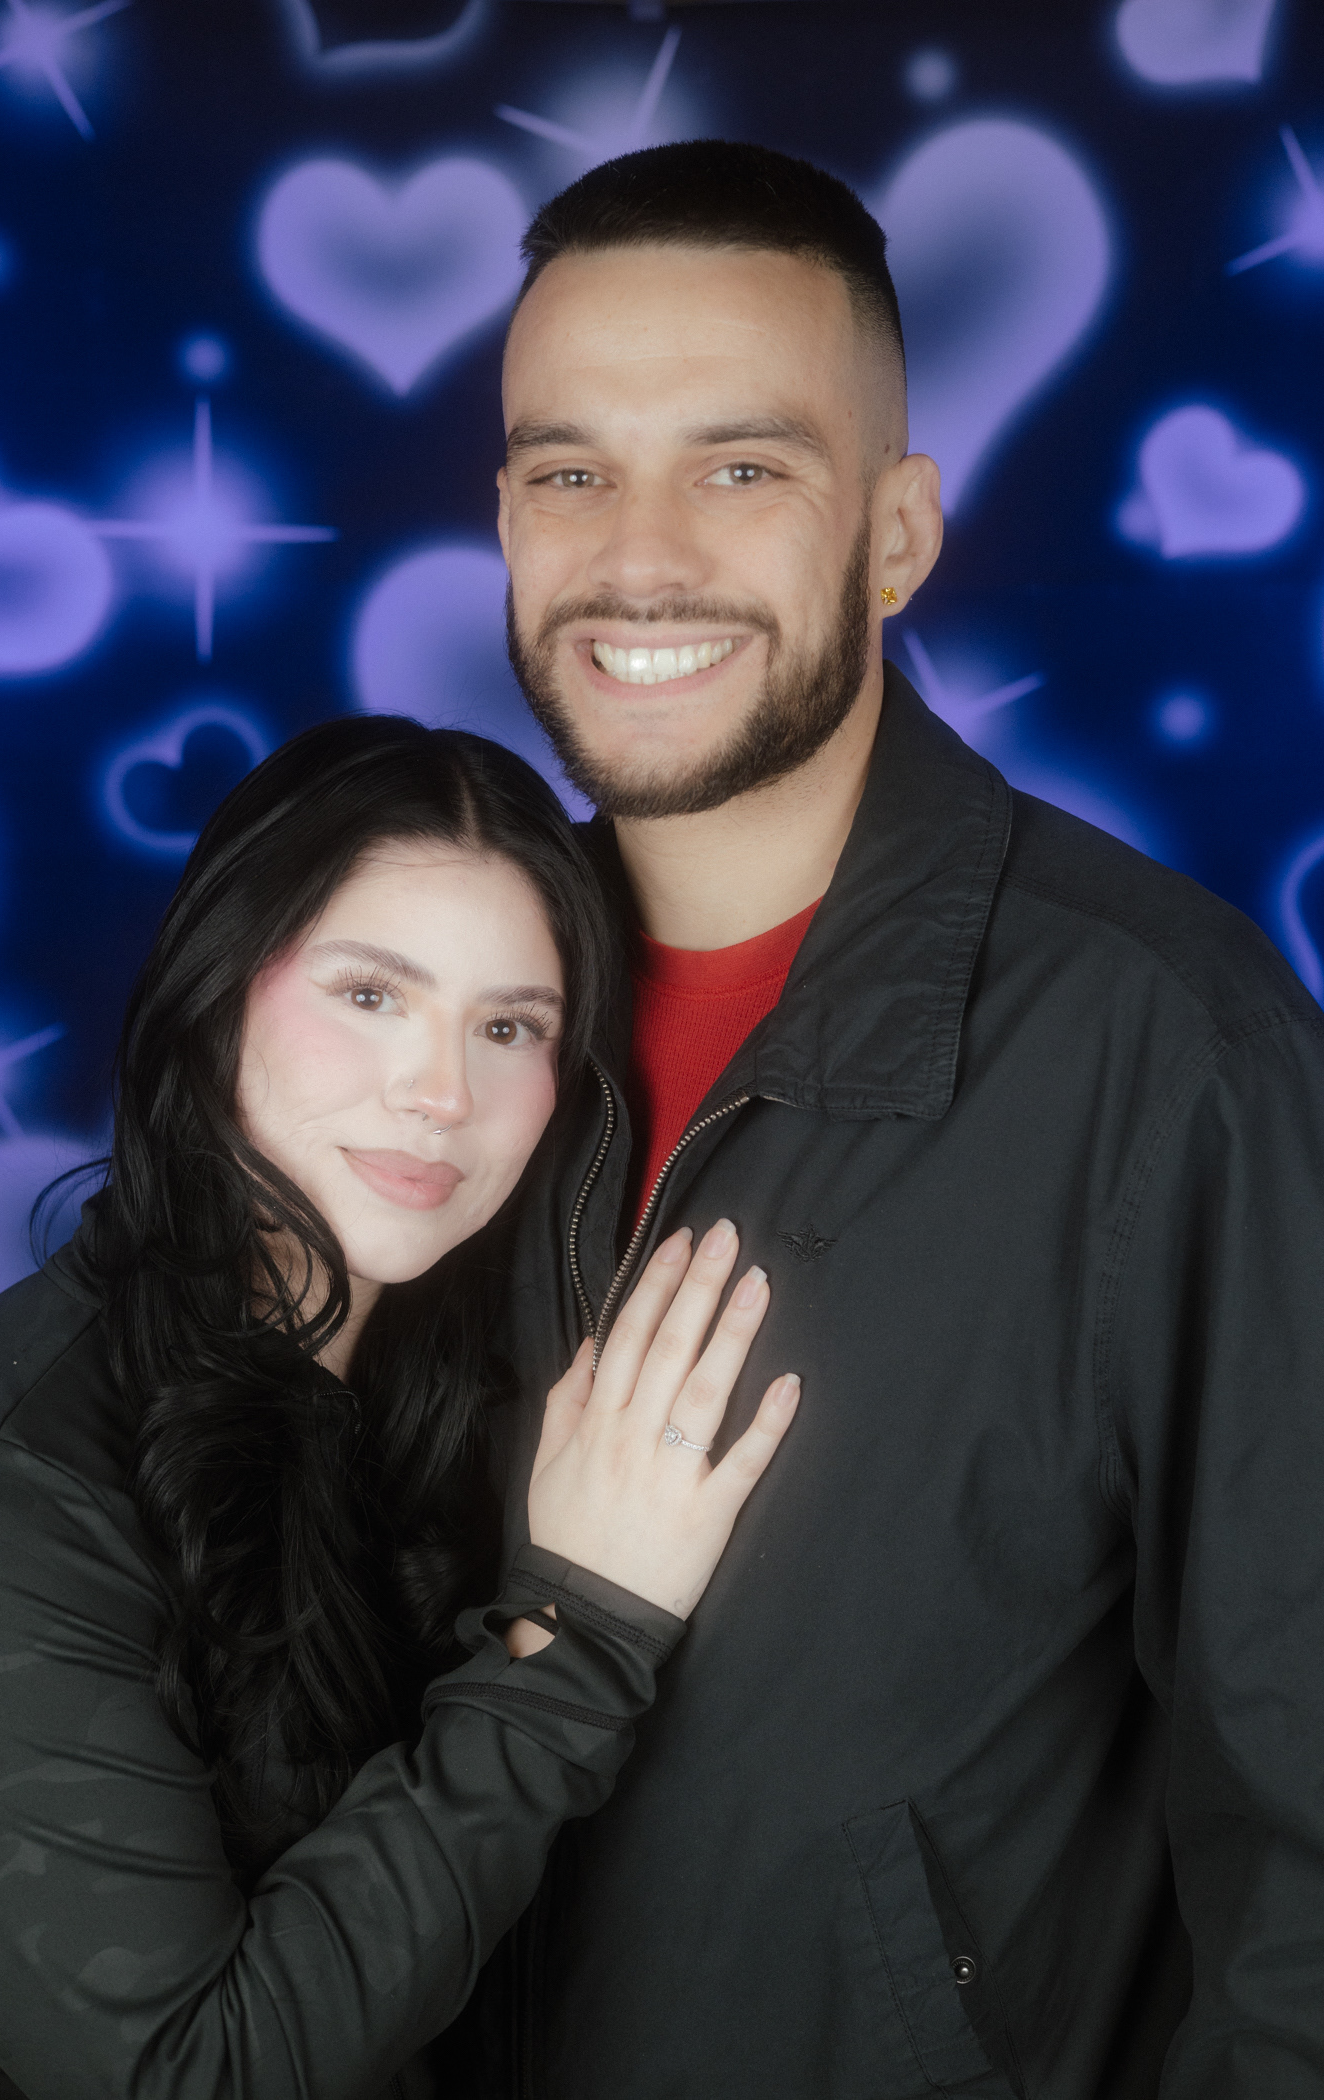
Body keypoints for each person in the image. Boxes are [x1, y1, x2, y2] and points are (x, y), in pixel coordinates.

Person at [473, 141, 1324, 2096]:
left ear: (898, 533)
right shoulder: (427, 1027)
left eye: (740, 469)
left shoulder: (1169, 1054)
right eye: (569, 473)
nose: (638, 557)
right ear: (503, 518)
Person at [0, 715, 800, 2100]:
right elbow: (194, 2078)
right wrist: (574, 1638)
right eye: (371, 995)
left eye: (508, 1027)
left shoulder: (451, 1374)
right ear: (218, 990)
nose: (441, 1094)